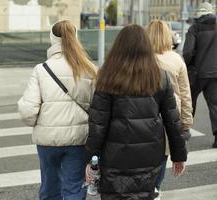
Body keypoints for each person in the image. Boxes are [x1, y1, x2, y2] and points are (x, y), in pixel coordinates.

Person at [85, 24, 187, 200]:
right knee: (144, 194)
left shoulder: (107, 75)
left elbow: (97, 124)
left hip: (114, 154)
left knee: (113, 194)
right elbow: (172, 120)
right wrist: (179, 155)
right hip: (149, 152)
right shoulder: (159, 76)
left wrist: (91, 159)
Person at [18, 20, 96, 200]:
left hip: (48, 141)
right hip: (79, 140)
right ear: (76, 37)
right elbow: (98, 108)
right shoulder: (89, 69)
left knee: (50, 188)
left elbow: (28, 111)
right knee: (74, 188)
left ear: (52, 40)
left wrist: (38, 122)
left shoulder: (41, 69)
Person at [146, 19, 193, 200]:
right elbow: (185, 94)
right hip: (171, 118)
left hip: (146, 115)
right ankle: (156, 189)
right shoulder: (176, 60)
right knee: (162, 157)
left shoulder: (143, 59)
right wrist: (186, 123)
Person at [183, 2, 217, 148]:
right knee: (215, 105)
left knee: (189, 104)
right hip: (215, 73)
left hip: (196, 73)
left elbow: (188, 51)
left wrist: (186, 64)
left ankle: (184, 135)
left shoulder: (194, 28)